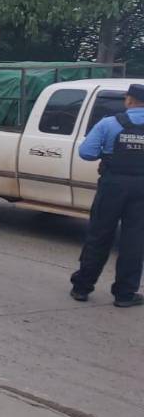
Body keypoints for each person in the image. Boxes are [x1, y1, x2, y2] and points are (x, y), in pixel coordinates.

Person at [70, 82, 144, 308]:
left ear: (129, 100)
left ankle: (82, 288)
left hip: (112, 185)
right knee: (135, 241)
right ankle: (125, 294)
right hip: (142, 188)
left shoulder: (109, 123)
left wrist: (108, 154)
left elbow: (86, 153)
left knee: (99, 236)